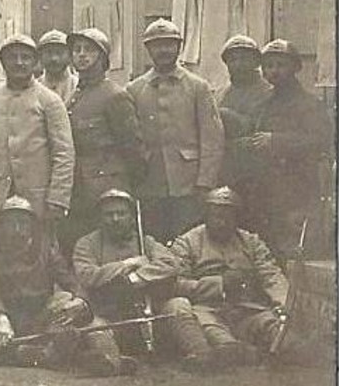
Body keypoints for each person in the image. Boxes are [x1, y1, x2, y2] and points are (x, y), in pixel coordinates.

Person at [71, 188, 214, 372]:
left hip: (152, 316)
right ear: (99, 218)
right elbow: (88, 275)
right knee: (95, 326)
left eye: (121, 214)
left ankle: (202, 356)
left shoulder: (146, 242)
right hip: (110, 315)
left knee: (178, 304)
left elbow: (171, 264)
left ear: (132, 217)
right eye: (109, 214)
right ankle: (112, 362)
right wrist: (127, 264)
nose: (115, 219)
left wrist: (138, 277)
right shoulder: (86, 244)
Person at [0, 197, 108, 372]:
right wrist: (1, 318)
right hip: (5, 322)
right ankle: (45, 355)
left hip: (40, 317)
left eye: (23, 223)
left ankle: (108, 360)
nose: (17, 230)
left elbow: (71, 281)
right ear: (2, 226)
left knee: (67, 301)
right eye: (11, 223)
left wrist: (80, 301)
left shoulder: (46, 250)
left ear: (32, 225)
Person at [0, 34, 75, 241]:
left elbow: (64, 153)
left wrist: (57, 198)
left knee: (39, 258)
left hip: (37, 201)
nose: (19, 62)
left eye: (25, 57)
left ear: (35, 62)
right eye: (12, 57)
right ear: (3, 62)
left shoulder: (49, 100)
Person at [127, 18, 225, 242]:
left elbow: (212, 138)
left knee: (188, 242)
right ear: (148, 49)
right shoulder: (134, 89)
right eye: (156, 45)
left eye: (169, 44)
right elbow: (131, 140)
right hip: (150, 182)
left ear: (179, 47)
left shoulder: (198, 86)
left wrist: (205, 181)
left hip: (188, 184)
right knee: (153, 242)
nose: (163, 50)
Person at [170, 186, 293, 366]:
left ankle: (265, 349)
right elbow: (176, 284)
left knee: (277, 331)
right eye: (216, 216)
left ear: (237, 218)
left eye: (228, 217)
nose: (222, 222)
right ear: (206, 216)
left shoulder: (251, 241)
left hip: (247, 309)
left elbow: (271, 274)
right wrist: (219, 284)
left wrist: (283, 303)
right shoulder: (187, 242)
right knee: (215, 335)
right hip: (207, 310)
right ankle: (233, 351)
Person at [246, 39, 332, 259]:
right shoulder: (262, 105)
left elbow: (320, 140)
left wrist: (275, 141)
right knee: (266, 248)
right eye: (269, 66)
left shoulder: (309, 105)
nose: (274, 71)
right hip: (265, 188)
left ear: (295, 67)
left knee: (294, 249)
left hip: (298, 189)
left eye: (280, 65)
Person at [63, 27, 144, 254]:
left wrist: (125, 184)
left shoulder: (114, 95)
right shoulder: (76, 95)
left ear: (103, 57)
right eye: (76, 50)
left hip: (106, 186)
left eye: (89, 50)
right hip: (79, 186)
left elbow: (133, 147)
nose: (81, 55)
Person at [215, 34, 272, 217]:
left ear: (256, 61)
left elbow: (261, 131)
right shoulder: (221, 93)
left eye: (245, 58)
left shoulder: (269, 93)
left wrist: (227, 116)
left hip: (258, 174)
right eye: (233, 59)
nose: (239, 64)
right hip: (226, 171)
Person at [36, 30, 77, 104]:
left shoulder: (78, 87)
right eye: (49, 52)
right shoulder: (34, 89)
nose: (54, 58)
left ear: (70, 56)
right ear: (40, 56)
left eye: (59, 53)